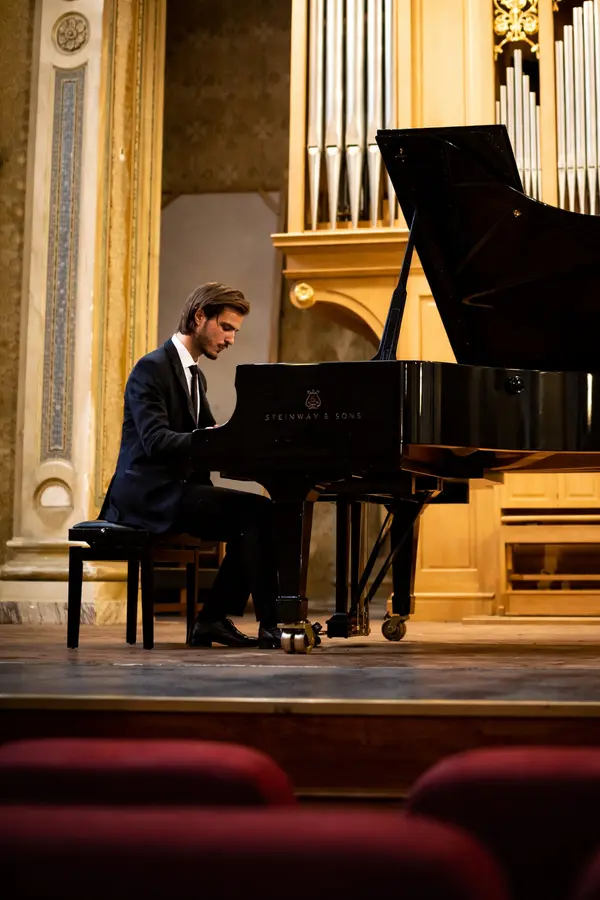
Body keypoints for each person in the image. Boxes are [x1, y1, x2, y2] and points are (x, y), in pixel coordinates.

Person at [100, 282, 281, 649]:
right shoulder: (150, 369)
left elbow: (213, 439)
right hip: (147, 494)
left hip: (177, 489)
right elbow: (156, 442)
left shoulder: (194, 375)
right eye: (226, 328)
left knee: (262, 514)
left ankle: (216, 619)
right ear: (200, 317)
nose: (231, 339)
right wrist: (211, 439)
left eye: (234, 331)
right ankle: (246, 621)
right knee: (257, 513)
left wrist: (256, 454)